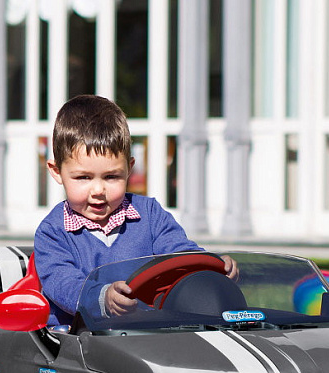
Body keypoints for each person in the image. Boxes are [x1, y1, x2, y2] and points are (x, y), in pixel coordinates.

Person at [34, 95, 236, 326]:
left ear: (129, 168)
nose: (98, 190)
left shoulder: (150, 215)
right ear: (57, 171)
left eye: (111, 177)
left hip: (149, 330)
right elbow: (62, 283)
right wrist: (102, 297)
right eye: (83, 178)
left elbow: (180, 254)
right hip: (81, 334)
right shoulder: (53, 231)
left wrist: (210, 266)